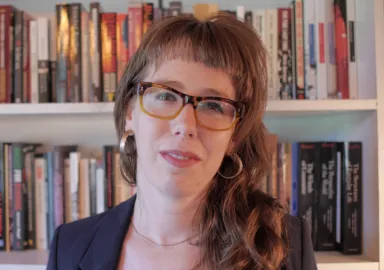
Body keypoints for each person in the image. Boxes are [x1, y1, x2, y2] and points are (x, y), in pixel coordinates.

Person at [46, 12, 317, 270]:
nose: (185, 126)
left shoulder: (286, 246)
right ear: (130, 111)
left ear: (234, 135)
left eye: (213, 105)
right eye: (165, 96)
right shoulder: (69, 247)